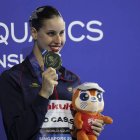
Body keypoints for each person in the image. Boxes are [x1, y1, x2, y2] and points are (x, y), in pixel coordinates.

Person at [0, 5, 104, 140]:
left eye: (61, 33)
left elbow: (76, 131)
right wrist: (43, 94)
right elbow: (15, 135)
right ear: (34, 33)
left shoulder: (72, 79)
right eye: (51, 33)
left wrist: (90, 128)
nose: (58, 40)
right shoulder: (12, 78)